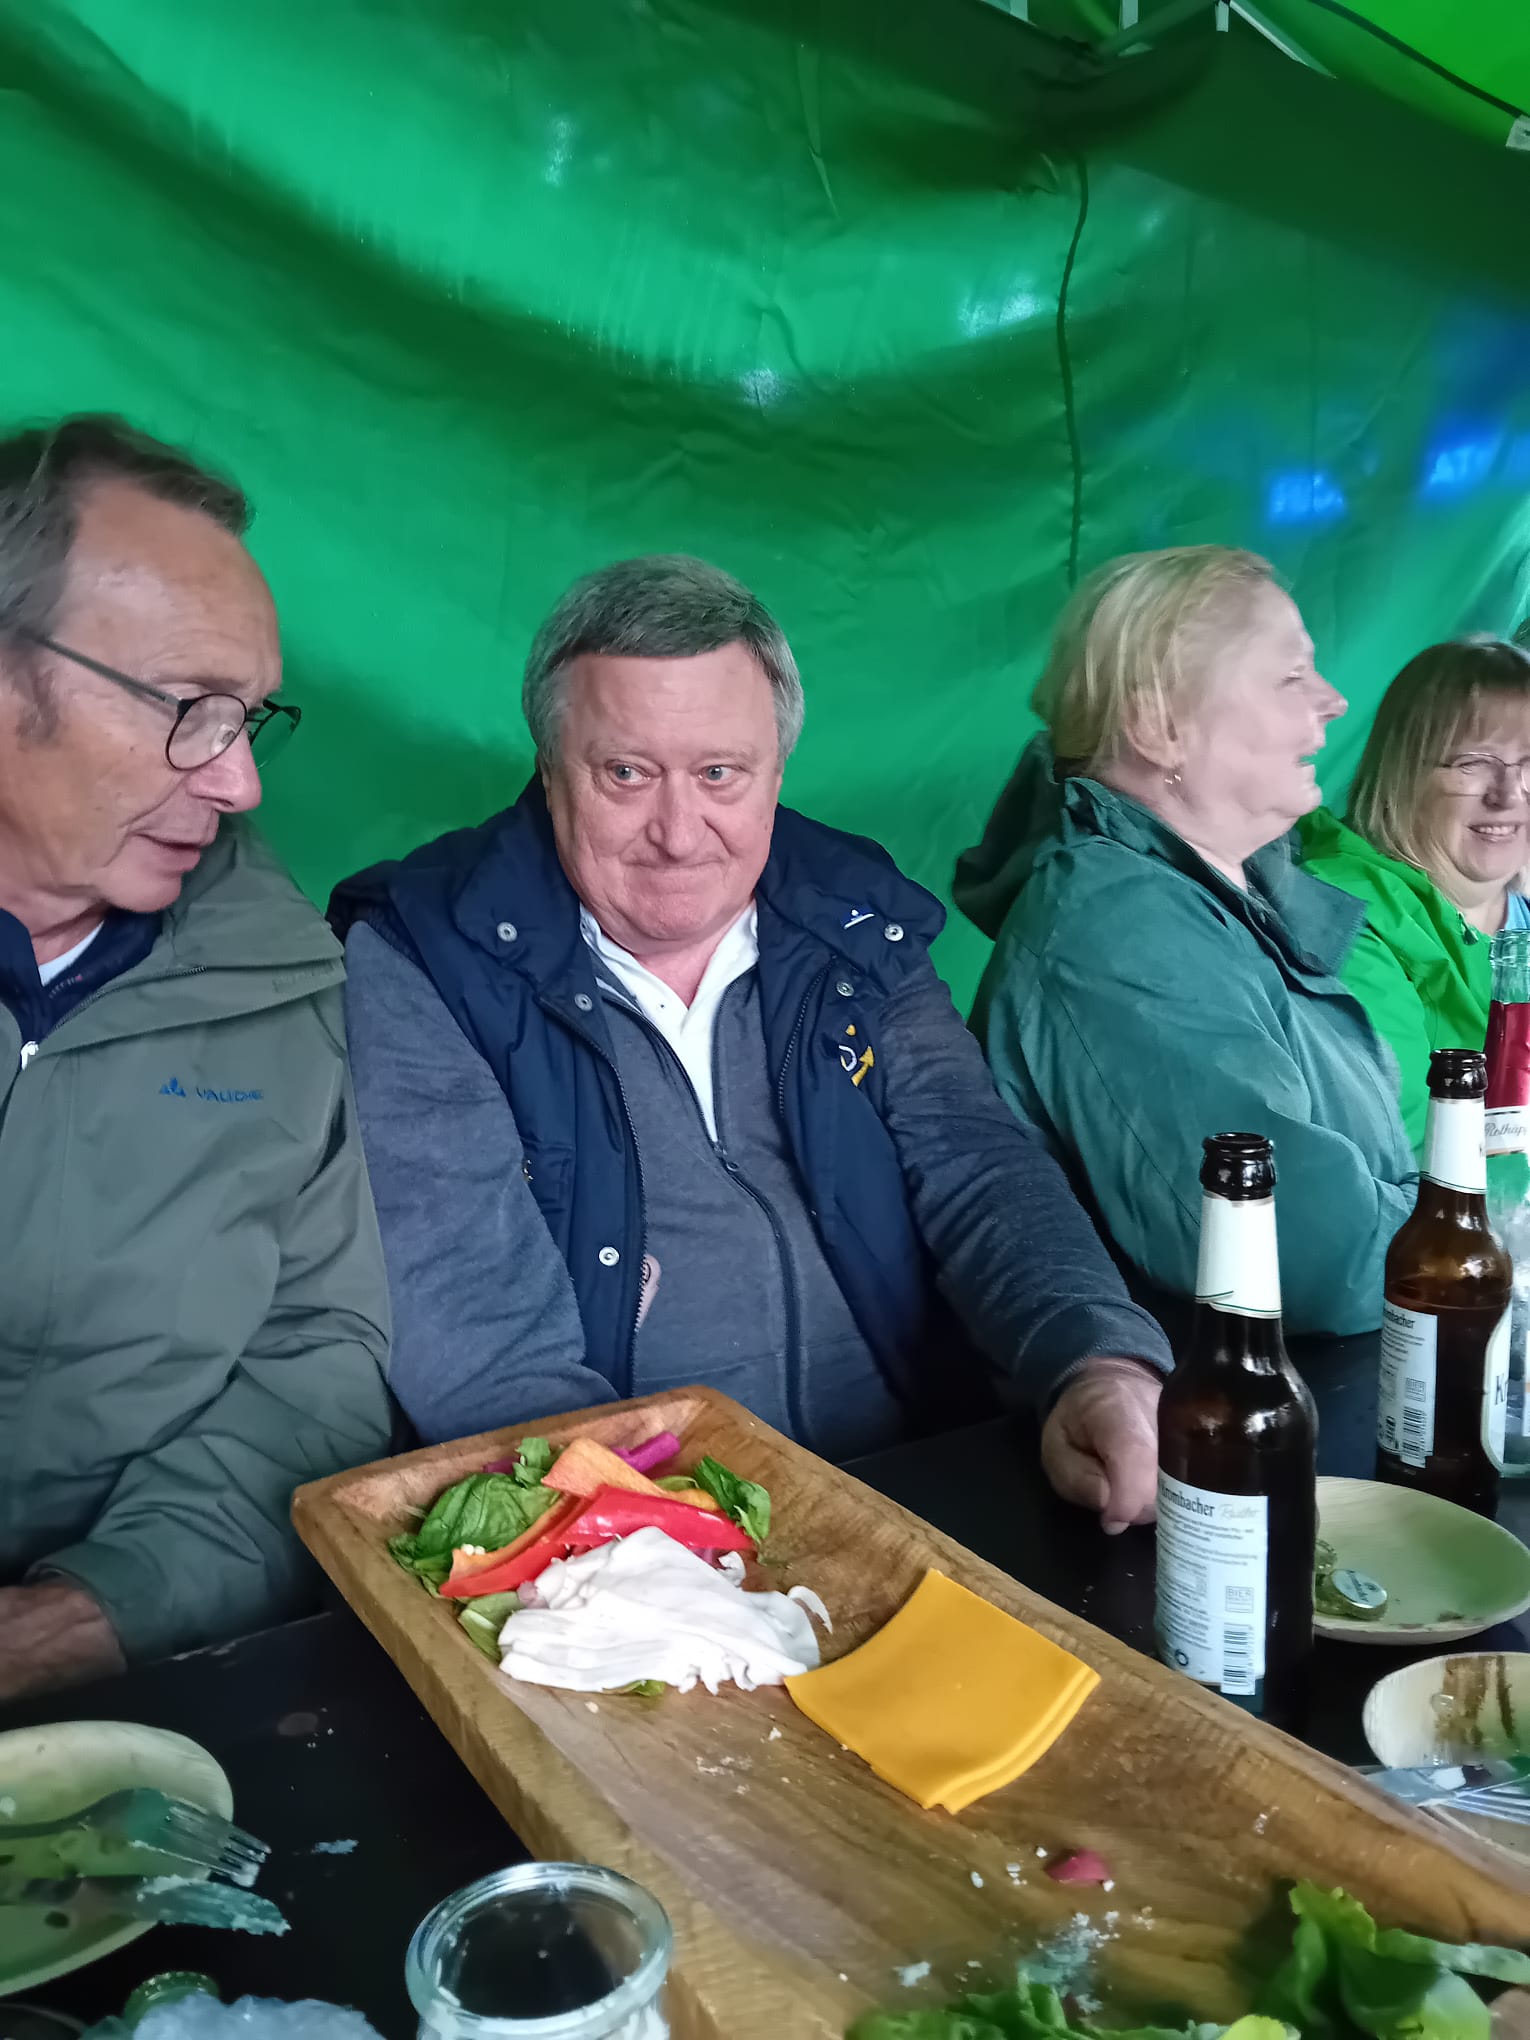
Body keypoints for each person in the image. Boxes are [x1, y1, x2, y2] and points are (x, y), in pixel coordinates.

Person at [333, 554, 1172, 1532]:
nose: (679, 833)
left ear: (776, 772)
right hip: (632, 1535)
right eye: (626, 773)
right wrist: (665, 1552)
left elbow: (976, 1161)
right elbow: (482, 1337)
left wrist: (1093, 1358)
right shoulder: (423, 955)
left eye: (719, 774)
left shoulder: (853, 915)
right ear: (551, 769)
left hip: (918, 1486)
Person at [0, 415, 393, 1704]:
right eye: (187, 710)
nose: (240, 785)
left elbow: (321, 1348)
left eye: (247, 719)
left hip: (149, 1679)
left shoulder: (279, 980)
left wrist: (103, 1609)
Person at [956, 544, 1414, 1337]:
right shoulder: (1117, 928)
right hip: (1217, 1403)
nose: (1334, 701)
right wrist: (1468, 1234)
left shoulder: (1216, 897)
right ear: (1159, 725)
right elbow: (1307, 1256)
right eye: (1291, 677)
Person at [1298, 636, 1530, 1151]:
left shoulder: (1520, 918)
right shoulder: (1348, 920)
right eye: (1473, 763)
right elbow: (1408, 1155)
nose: (1508, 795)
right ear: (1403, 773)